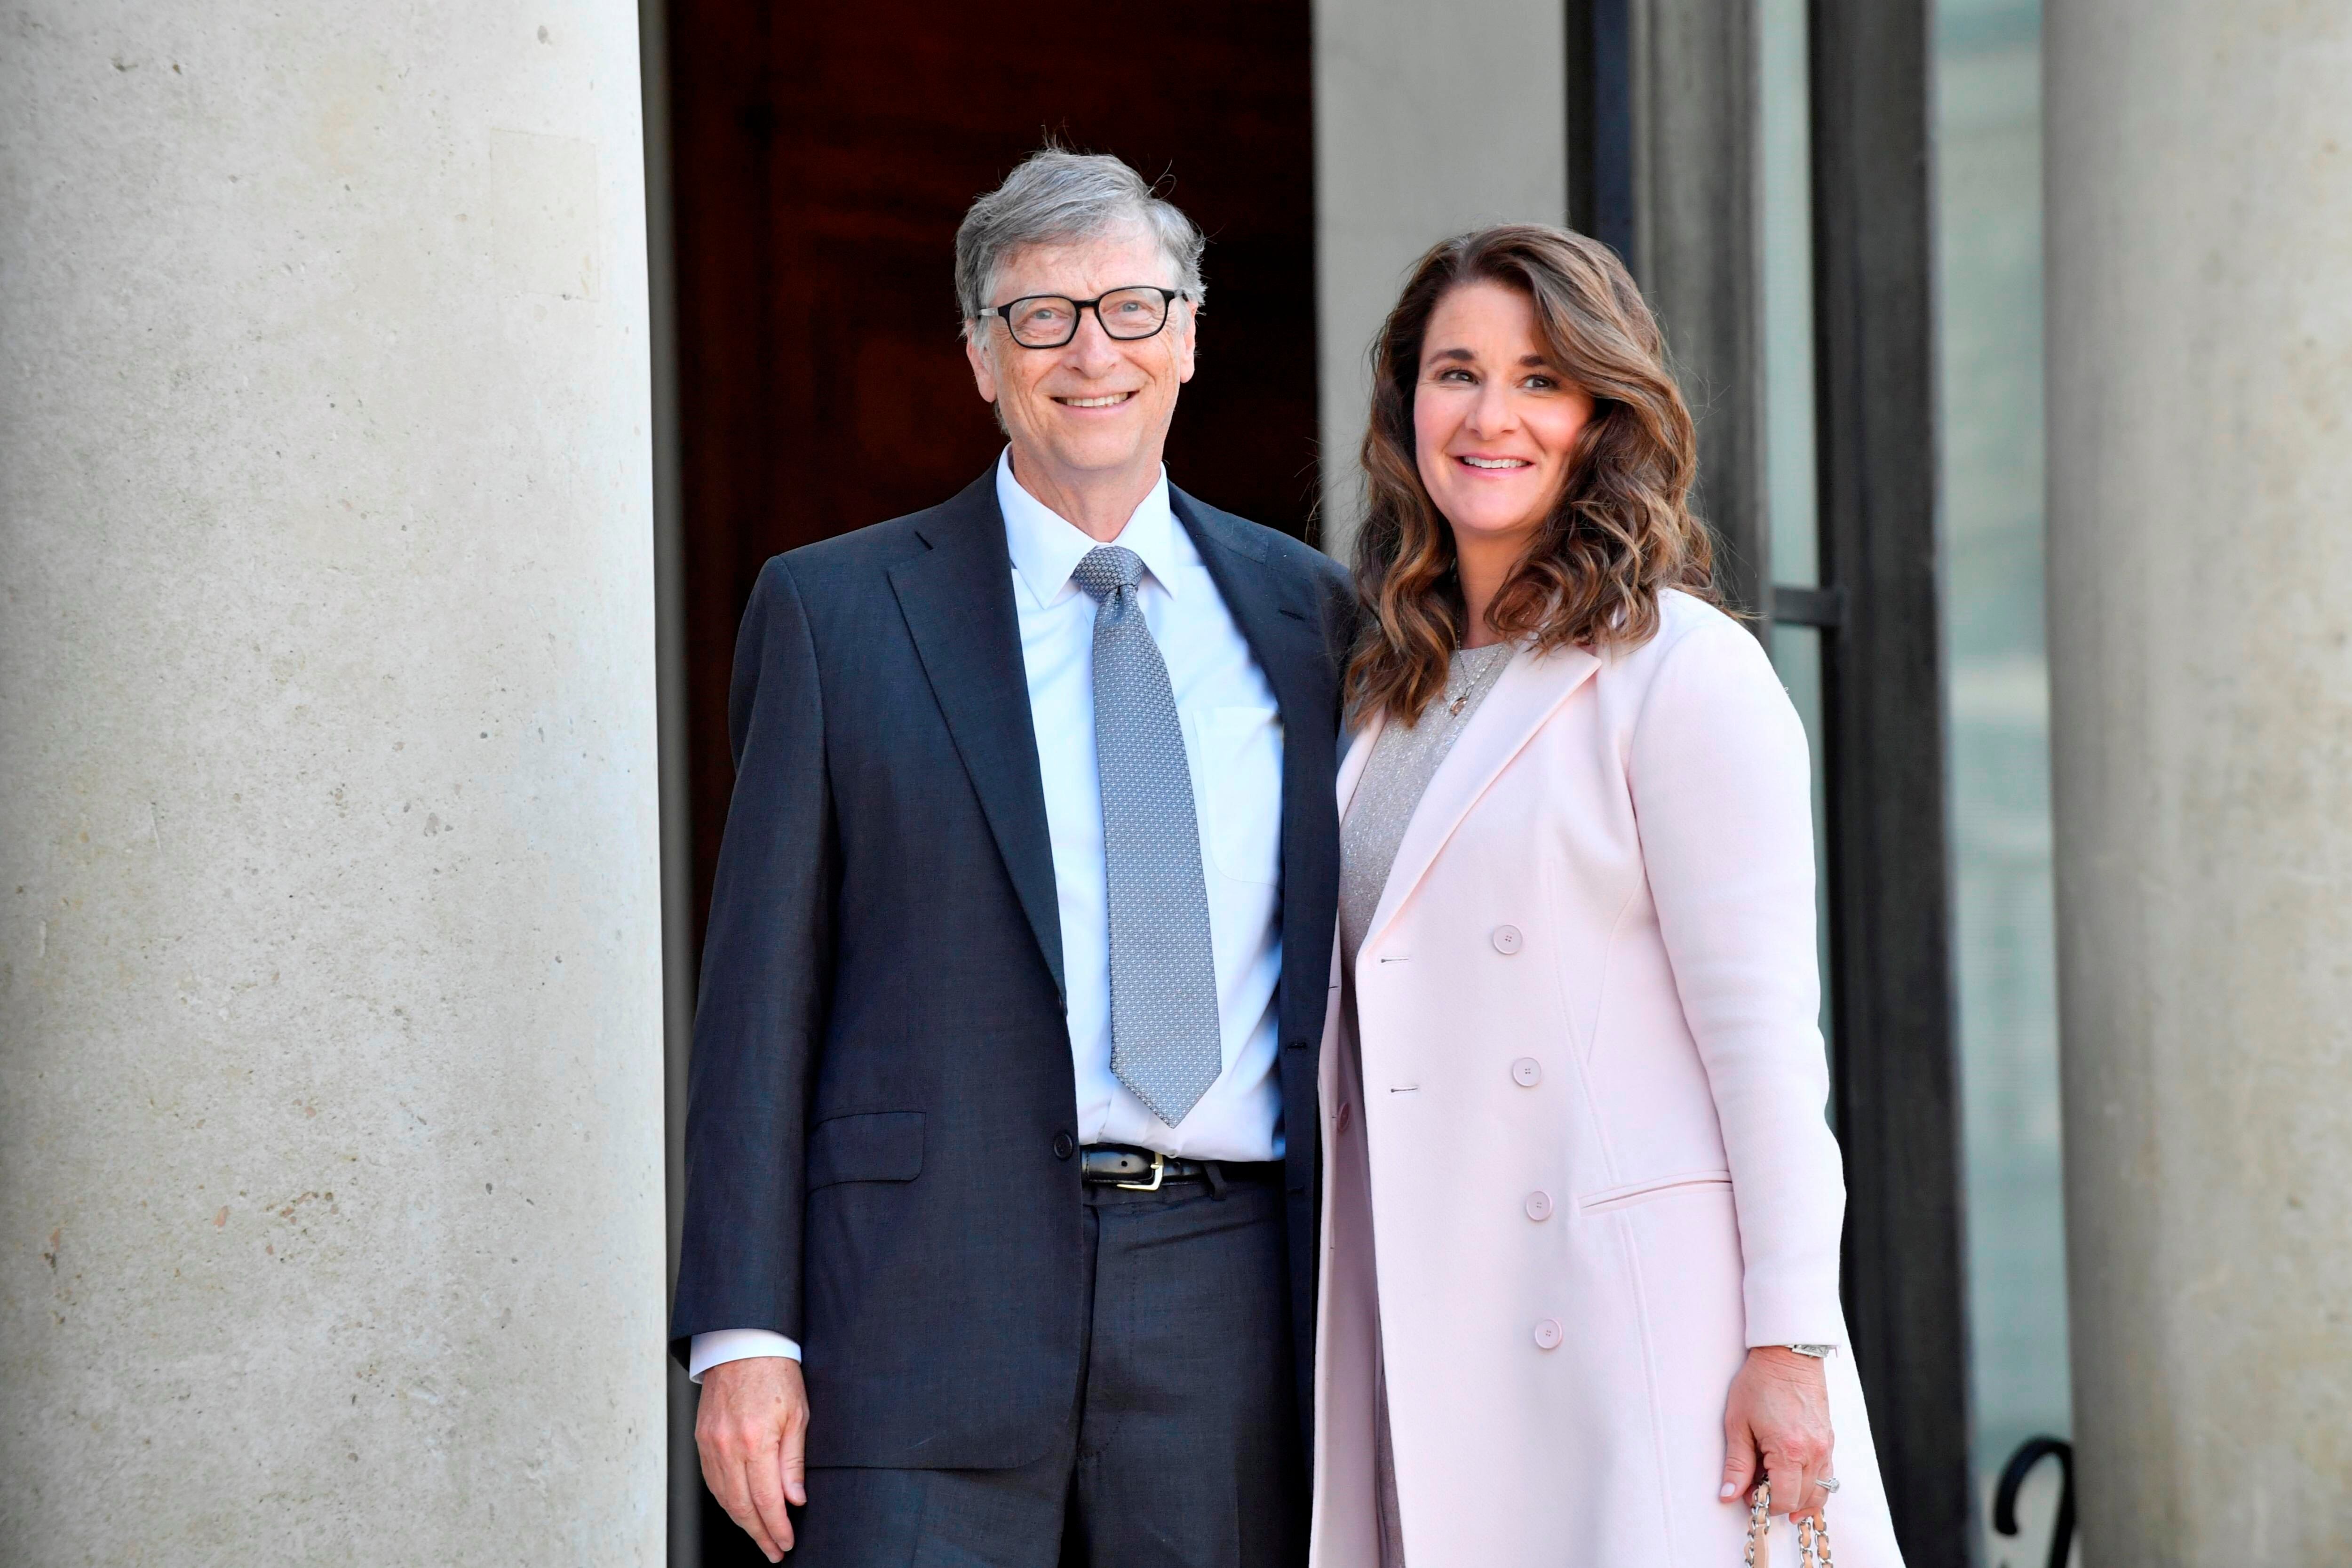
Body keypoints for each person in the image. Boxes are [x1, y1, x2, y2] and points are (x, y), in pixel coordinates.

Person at [670, 147, 1354, 1566]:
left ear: (1188, 335)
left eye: (1128, 307)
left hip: (1231, 1300)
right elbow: (757, 1000)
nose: (1087, 349)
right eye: (1040, 316)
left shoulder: (1316, 621)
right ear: (982, 358)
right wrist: (742, 1332)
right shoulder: (835, 614)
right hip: (917, 1301)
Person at [1310, 224, 1906, 1566]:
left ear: (1600, 415)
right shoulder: (1375, 686)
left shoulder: (1679, 670)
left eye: (1540, 379)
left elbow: (1766, 1053)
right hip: (1429, 1315)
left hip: (1638, 1334)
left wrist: (1789, 1342)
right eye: (1456, 372)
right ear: (1407, 404)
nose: (1491, 415)